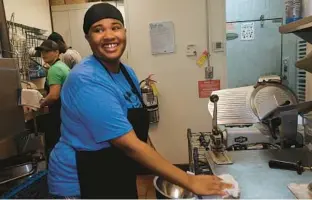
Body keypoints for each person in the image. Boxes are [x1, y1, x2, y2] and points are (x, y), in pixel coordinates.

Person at [47, 3, 231, 199]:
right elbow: (130, 145)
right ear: (88, 38)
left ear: (124, 32)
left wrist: (163, 170)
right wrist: (189, 181)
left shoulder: (127, 73)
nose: (109, 35)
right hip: (80, 181)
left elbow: (139, 136)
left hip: (114, 171)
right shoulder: (86, 80)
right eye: (98, 30)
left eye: (115, 27)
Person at [35, 40, 70, 160]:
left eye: (47, 51)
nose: (43, 54)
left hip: (60, 111)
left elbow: (54, 95)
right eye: (42, 52)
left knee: (57, 143)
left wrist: (41, 103)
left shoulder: (54, 69)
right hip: (68, 110)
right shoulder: (62, 66)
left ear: (57, 52)